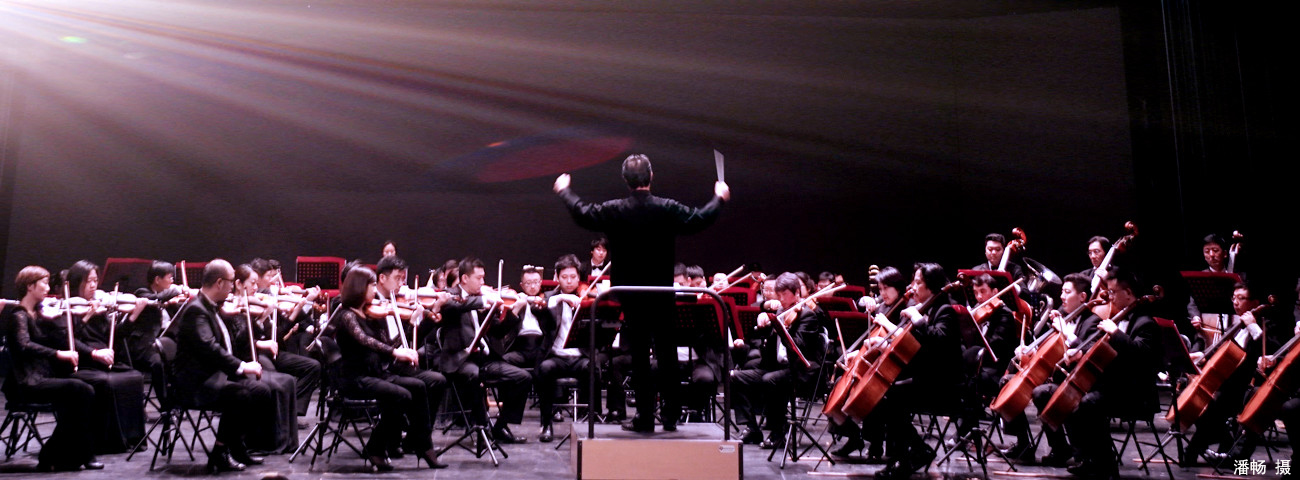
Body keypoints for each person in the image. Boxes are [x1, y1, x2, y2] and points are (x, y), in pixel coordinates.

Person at [554, 153, 729, 432]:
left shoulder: (616, 209)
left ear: (625, 180)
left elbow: (583, 213)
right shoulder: (666, 207)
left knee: (639, 357)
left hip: (631, 294)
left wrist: (565, 191)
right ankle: (671, 415)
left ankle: (645, 417)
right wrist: (719, 198)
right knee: (667, 354)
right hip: (661, 292)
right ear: (651, 176)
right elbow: (699, 219)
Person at [330, 266, 448, 471]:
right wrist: (395, 353)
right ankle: (376, 447)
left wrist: (410, 326)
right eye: (372, 285)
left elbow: (387, 344)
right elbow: (365, 340)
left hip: (376, 373)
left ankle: (423, 445)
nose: (374, 289)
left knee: (419, 387)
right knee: (401, 395)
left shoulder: (372, 314)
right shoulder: (346, 315)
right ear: (359, 287)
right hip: (355, 378)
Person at [170, 260, 273, 472]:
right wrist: (242, 366)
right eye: (230, 282)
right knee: (240, 395)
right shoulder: (196, 310)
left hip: (213, 375)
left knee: (261, 391)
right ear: (219, 283)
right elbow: (209, 347)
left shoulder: (211, 307)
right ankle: (219, 452)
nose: (232, 286)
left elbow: (224, 344)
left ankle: (237, 446)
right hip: (196, 383)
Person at [1061, 267, 1163, 479]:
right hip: (1114, 388)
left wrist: (1115, 333)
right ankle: (1088, 459)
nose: (1109, 296)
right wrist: (1080, 353)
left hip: (1136, 394)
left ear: (1128, 293)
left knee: (1090, 403)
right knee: (1071, 399)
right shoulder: (1117, 318)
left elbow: (1141, 356)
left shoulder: (1146, 323)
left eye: (1113, 292)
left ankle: (1107, 467)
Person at [2, 266, 102, 471]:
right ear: (30, 286)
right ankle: (57, 454)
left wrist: (83, 318)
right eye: (45, 283)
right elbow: (24, 345)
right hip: (27, 382)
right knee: (81, 391)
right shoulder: (18, 315)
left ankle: (72, 455)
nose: (49, 288)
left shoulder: (39, 314)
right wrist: (58, 354)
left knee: (82, 395)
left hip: (43, 376)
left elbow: (62, 338)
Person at [431, 257, 532, 444]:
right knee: (474, 375)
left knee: (523, 378)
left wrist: (515, 311)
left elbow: (498, 332)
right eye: (479, 278)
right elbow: (453, 305)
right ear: (464, 279)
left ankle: (500, 427)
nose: (483, 282)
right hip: (460, 360)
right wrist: (482, 300)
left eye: (483, 277)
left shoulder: (481, 299)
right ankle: (482, 427)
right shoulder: (449, 295)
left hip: (483, 358)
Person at [731, 273, 826, 448]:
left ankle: (778, 433)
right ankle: (752, 428)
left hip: (799, 370)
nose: (781, 299)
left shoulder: (807, 316)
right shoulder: (780, 312)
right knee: (736, 377)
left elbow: (798, 347)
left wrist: (781, 328)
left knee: (771, 380)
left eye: (784, 294)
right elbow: (764, 343)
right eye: (779, 294)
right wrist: (763, 327)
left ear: (796, 293)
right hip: (775, 366)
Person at [65, 260, 147, 453]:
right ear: (77, 282)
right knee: (108, 383)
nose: (93, 286)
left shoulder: (99, 308)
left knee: (134, 377)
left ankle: (132, 438)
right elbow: (69, 339)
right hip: (82, 362)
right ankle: (110, 440)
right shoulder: (67, 308)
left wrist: (134, 316)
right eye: (88, 281)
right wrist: (93, 352)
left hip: (102, 361)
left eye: (95, 281)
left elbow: (113, 337)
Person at [535, 255, 602, 442]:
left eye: (573, 277)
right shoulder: (549, 298)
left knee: (593, 368)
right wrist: (560, 298)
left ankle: (591, 419)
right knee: (544, 369)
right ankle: (546, 424)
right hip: (557, 357)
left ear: (579, 277)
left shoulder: (587, 297)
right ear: (557, 277)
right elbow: (540, 314)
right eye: (564, 277)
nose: (569, 281)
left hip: (580, 357)